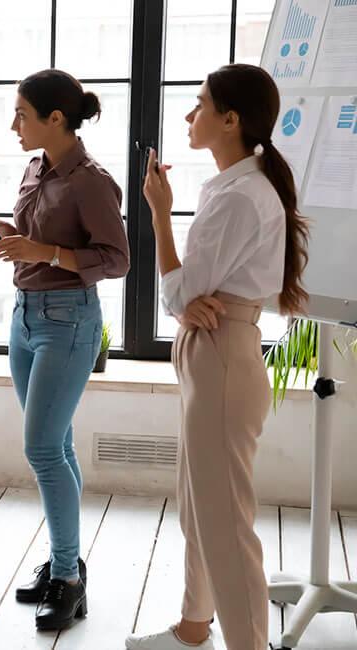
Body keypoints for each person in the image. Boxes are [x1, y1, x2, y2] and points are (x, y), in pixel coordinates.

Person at [126, 64, 310, 650]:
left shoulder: (239, 197)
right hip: (213, 352)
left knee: (225, 525)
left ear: (230, 120)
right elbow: (188, 297)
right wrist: (187, 305)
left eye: (199, 104)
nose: (188, 115)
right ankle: (193, 627)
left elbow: (180, 294)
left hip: (223, 356)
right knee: (199, 509)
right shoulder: (237, 187)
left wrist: (158, 212)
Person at [0, 69, 129, 631]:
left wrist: (43, 250)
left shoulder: (92, 181)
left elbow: (116, 260)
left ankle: (69, 583)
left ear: (57, 119)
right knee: (59, 446)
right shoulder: (36, 168)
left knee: (43, 451)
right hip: (25, 318)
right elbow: (35, 242)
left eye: (22, 114)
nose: (13, 125)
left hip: (69, 322)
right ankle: (64, 561)